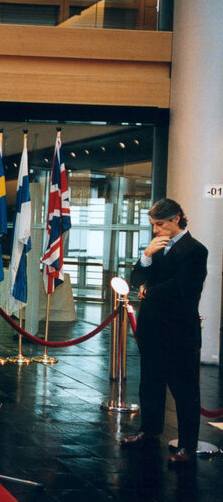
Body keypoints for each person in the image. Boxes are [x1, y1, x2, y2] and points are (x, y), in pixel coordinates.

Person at [121, 198, 208, 467]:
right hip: (152, 329)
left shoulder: (195, 250)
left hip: (179, 331)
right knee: (150, 383)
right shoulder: (156, 248)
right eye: (153, 225)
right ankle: (149, 431)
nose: (156, 230)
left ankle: (187, 446)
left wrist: (148, 292)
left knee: (184, 391)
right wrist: (146, 256)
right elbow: (135, 280)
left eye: (160, 224)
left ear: (177, 219)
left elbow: (183, 287)